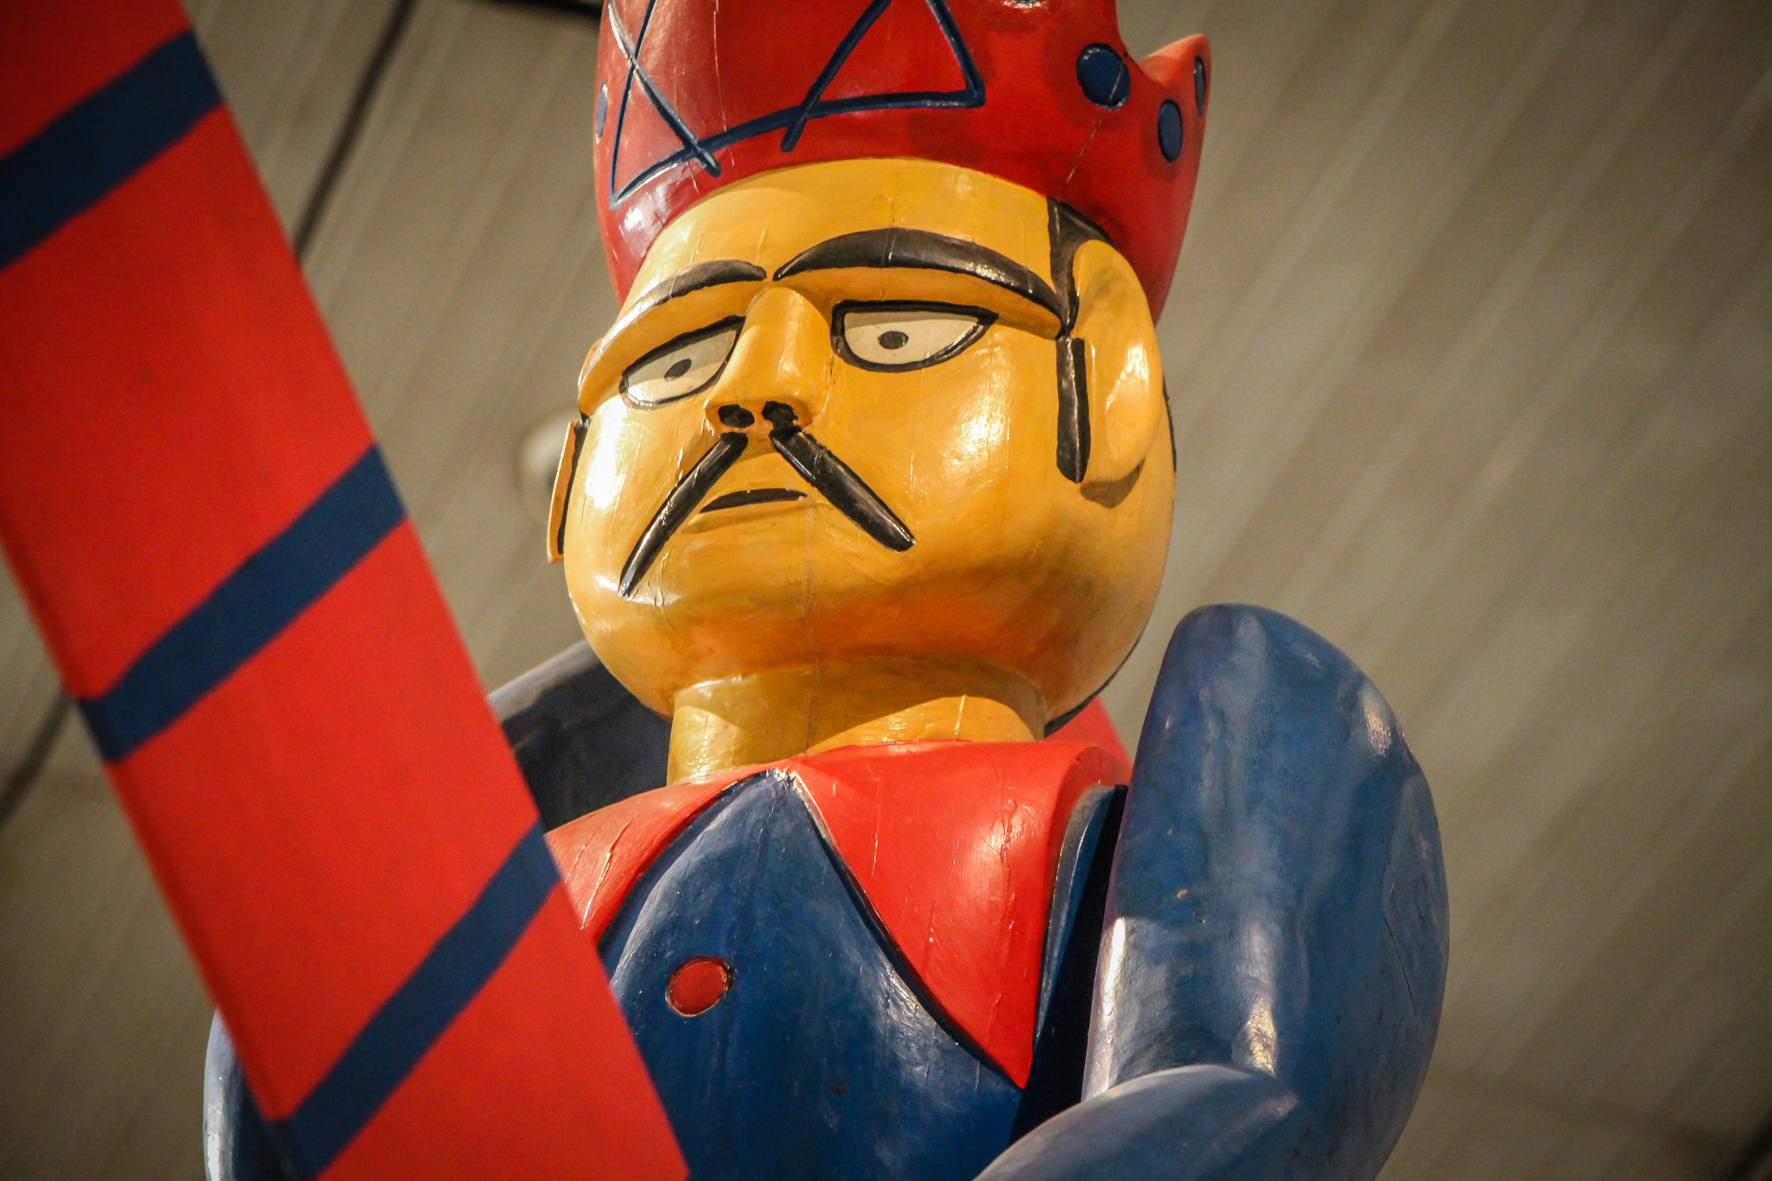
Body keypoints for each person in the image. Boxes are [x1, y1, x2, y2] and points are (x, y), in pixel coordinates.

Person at [211, 2, 1446, 1177]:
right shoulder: (450, 896)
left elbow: (1223, 1101)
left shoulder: (1210, 775)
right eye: (677, 356)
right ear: (574, 467)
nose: (755, 391)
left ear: (1107, 395)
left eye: (894, 328)